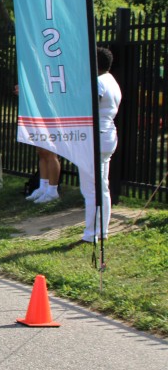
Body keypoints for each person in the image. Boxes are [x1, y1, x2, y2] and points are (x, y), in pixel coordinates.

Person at [70, 46, 122, 248]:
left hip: (95, 138)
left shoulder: (99, 82)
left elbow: (88, 107)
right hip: (107, 135)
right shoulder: (112, 81)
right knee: (102, 186)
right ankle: (102, 230)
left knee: (91, 189)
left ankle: (91, 233)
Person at [17, 84, 62, 204]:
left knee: (50, 152)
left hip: (51, 111)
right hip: (39, 111)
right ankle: (43, 187)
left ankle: (52, 190)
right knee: (41, 152)